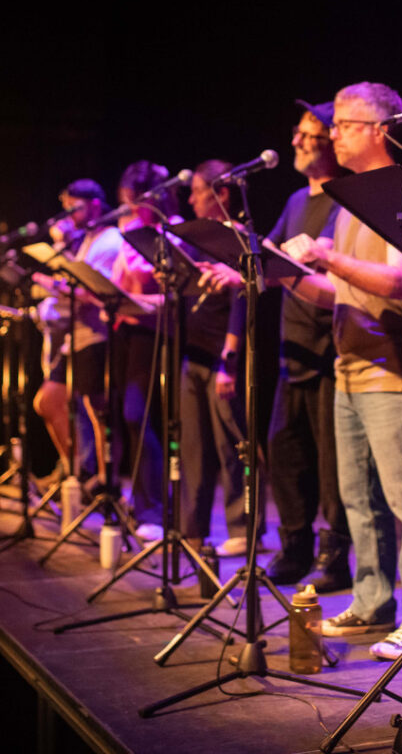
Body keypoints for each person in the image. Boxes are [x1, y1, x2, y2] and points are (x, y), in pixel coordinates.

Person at [281, 81, 402, 662]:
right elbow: (339, 292)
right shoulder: (351, 195)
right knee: (359, 498)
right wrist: (282, 271)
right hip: (350, 368)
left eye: (345, 124)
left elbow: (400, 281)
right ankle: (373, 600)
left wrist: (326, 255)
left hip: (394, 371)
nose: (333, 134)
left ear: (381, 129)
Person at [262, 102, 353, 591]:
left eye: (307, 134)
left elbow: (321, 271)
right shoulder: (297, 200)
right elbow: (272, 254)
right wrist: (231, 268)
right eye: (297, 133)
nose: (296, 141)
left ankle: (334, 557)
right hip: (291, 349)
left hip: (328, 351)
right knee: (286, 452)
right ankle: (294, 548)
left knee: (331, 462)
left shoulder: (345, 198)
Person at [177, 160, 252, 555]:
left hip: (222, 357)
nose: (190, 199)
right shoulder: (194, 238)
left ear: (221, 193)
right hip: (192, 354)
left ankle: (240, 528)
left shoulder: (237, 237)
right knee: (193, 445)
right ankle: (192, 528)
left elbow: (241, 300)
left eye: (198, 191)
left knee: (230, 444)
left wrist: (230, 358)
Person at [31, 180, 121, 485]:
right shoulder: (85, 238)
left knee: (98, 411)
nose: (69, 213)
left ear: (94, 203)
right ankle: (73, 471)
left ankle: (103, 479)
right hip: (73, 336)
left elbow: (96, 290)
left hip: (94, 335)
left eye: (74, 206)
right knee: (48, 400)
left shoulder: (110, 238)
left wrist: (53, 283)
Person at [109, 160, 180, 539]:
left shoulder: (170, 233)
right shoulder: (132, 231)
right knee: (129, 417)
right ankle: (141, 504)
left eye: (134, 201)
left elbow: (139, 277)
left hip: (156, 334)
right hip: (128, 332)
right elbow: (122, 282)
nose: (130, 208)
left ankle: (156, 509)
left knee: (143, 416)